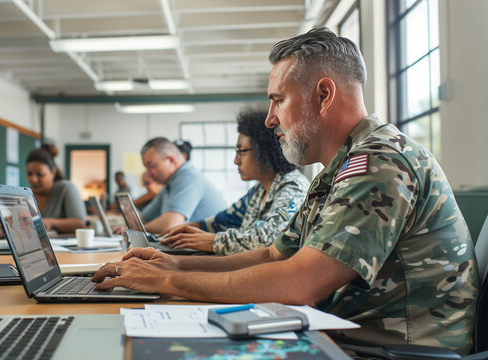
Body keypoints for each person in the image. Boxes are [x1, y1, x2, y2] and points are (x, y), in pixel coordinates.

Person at [92, 28, 478, 353]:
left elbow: (298, 285)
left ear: (324, 95)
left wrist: (166, 283)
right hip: (348, 337)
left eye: (279, 100)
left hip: (391, 352)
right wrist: (174, 263)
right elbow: (276, 254)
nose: (270, 118)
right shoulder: (337, 171)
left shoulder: (379, 163)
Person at [161, 107, 309, 255]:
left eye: (241, 151)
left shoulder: (293, 187)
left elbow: (269, 240)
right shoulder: (259, 191)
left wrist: (212, 241)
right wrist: (192, 227)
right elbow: (224, 220)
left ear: (264, 151)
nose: (236, 160)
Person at [139, 138, 226, 233]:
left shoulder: (188, 177)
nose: (148, 173)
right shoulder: (169, 184)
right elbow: (143, 219)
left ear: (171, 160)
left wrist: (136, 230)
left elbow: (170, 225)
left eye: (151, 166)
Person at [26, 144, 86, 233]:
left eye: (40, 174)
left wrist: (50, 222)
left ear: (53, 172)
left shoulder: (67, 188)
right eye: (29, 174)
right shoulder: (25, 195)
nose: (33, 179)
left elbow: (80, 223)